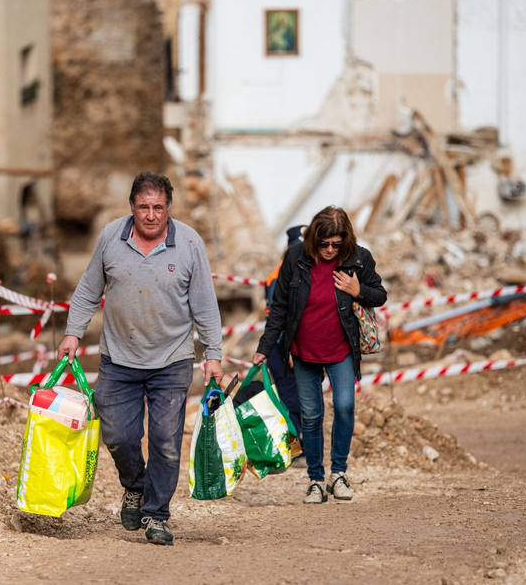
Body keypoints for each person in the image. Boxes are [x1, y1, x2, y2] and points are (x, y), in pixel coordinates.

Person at [58, 171, 223, 546]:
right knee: (118, 435)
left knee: (165, 440)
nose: (151, 215)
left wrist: (213, 353)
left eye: (158, 207)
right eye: (144, 207)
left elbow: (205, 306)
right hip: (119, 358)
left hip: (172, 359)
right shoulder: (111, 238)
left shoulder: (190, 244)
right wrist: (72, 332)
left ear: (169, 208)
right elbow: (87, 290)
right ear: (132, 207)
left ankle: (156, 515)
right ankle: (135, 485)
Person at [253, 206, 387, 504]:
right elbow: (280, 307)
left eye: (336, 244)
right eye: (324, 243)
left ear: (345, 240)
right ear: (314, 238)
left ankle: (338, 473)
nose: (329, 250)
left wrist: (357, 289)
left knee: (344, 406)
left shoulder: (359, 258)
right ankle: (315, 479)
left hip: (340, 350)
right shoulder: (295, 257)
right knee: (311, 416)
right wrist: (265, 348)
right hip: (303, 352)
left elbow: (380, 295)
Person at [233, 225, 306, 461]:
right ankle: (290, 450)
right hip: (283, 348)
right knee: (290, 400)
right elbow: (280, 317)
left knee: (296, 398)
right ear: (287, 248)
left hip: (290, 346)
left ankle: (292, 447)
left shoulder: (294, 271)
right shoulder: (281, 275)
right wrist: (290, 351)